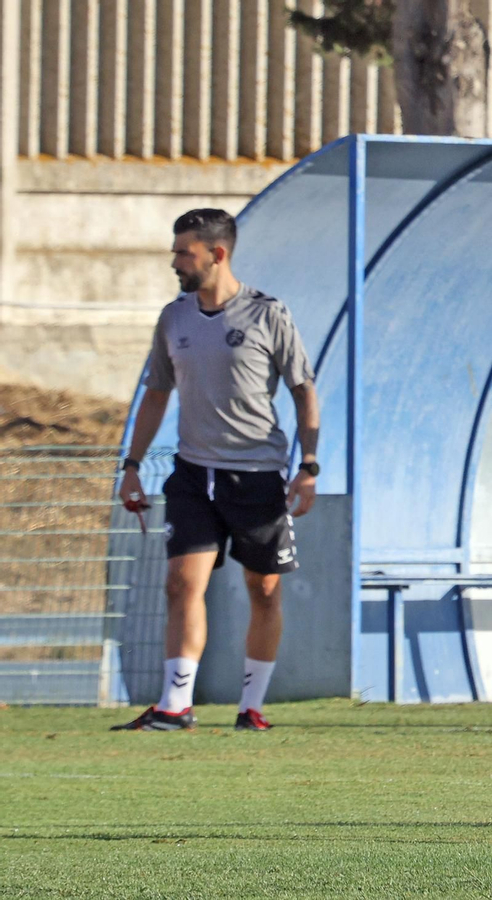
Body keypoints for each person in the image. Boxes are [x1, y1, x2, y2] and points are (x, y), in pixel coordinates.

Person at [114, 208, 320, 733]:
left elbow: (303, 390)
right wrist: (131, 466)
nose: (176, 262)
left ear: (217, 253)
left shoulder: (268, 314)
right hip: (192, 472)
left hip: (256, 474)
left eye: (185, 252)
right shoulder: (173, 317)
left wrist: (309, 465)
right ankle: (174, 705)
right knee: (182, 583)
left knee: (264, 589)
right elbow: (156, 393)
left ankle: (251, 706)